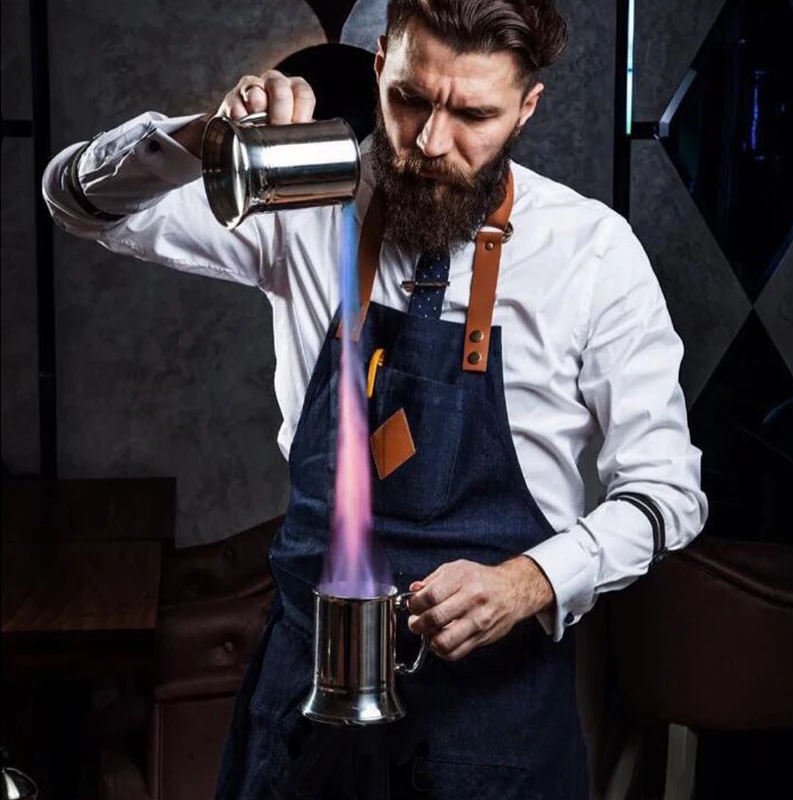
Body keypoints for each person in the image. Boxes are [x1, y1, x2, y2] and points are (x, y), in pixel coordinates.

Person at [43, 1, 707, 797]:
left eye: (474, 115)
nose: (430, 141)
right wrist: (205, 139)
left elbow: (667, 493)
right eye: (410, 99)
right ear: (382, 61)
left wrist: (531, 582)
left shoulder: (592, 253)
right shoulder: (302, 196)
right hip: (304, 707)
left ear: (527, 108)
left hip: (493, 724)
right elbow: (79, 203)